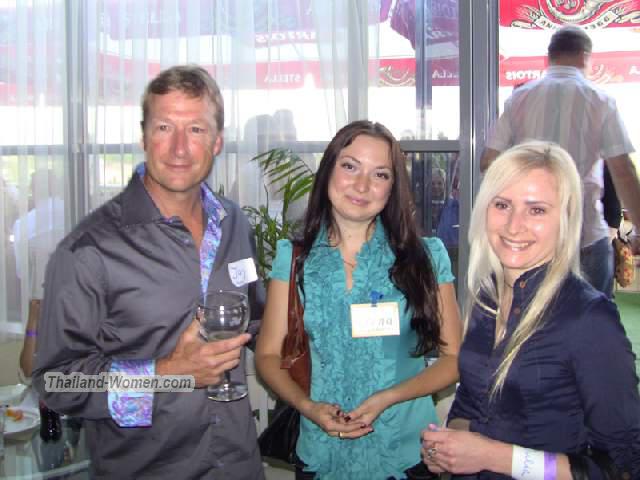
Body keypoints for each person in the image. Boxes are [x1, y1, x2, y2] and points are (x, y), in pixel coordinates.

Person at [32, 65, 265, 479]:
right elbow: (57, 382)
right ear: (143, 137)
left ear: (217, 142)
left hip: (238, 464)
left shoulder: (235, 224)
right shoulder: (88, 250)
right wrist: (168, 374)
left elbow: (258, 323)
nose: (179, 148)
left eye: (195, 129)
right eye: (164, 127)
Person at [256, 120, 462, 479]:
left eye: (380, 174)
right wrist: (308, 407)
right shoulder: (294, 259)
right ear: (328, 170)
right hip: (320, 449)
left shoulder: (426, 257)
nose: (362, 185)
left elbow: (454, 360)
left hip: (405, 450)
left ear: (392, 187)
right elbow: (268, 355)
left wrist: (388, 397)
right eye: (350, 166)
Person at [422, 141, 640, 479]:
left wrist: (493, 457)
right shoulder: (487, 299)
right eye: (502, 204)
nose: (513, 225)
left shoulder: (588, 319)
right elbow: (471, 402)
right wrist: (449, 446)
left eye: (536, 210)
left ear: (565, 219)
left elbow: (622, 465)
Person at [479, 25, 640, 298]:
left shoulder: (520, 99)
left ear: (549, 57)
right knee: (595, 319)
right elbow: (623, 172)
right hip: (586, 235)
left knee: (532, 320)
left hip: (531, 238)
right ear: (585, 56)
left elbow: (488, 161)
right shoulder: (601, 101)